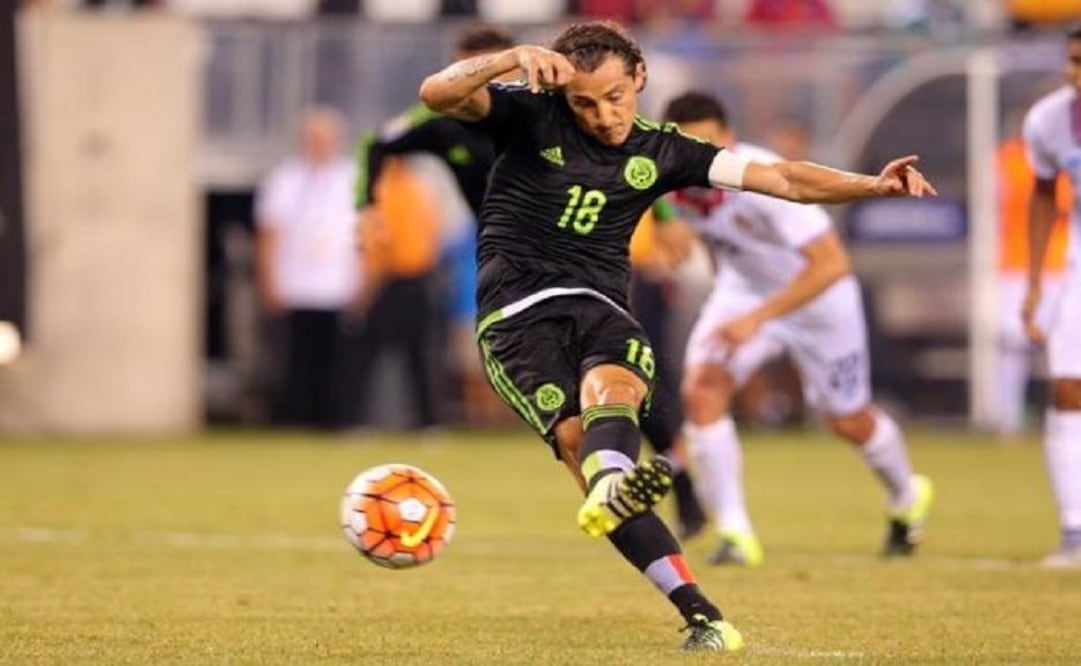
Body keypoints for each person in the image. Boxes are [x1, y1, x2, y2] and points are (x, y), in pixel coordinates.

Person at [418, 20, 935, 651]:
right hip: (516, 311)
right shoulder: (529, 114)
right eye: (584, 102)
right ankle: (696, 603)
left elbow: (788, 181)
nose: (603, 115)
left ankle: (637, 516)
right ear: (562, 96)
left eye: (615, 97)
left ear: (639, 78)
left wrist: (872, 185)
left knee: (617, 386)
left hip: (600, 302)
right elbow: (436, 94)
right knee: (584, 448)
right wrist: (507, 59)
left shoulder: (664, 150)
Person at [656, 91, 933, 567]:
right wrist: (663, 220)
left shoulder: (757, 180)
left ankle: (907, 493)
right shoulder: (669, 173)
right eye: (687, 147)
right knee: (703, 390)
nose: (697, 157)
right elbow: (636, 181)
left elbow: (832, 265)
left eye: (707, 146)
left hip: (817, 301)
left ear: (728, 140)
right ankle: (735, 533)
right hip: (741, 292)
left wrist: (759, 318)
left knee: (847, 420)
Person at [254, 107, 363, 429]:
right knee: (295, 360)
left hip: (338, 285)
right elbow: (269, 234)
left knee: (337, 361)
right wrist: (269, 282)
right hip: (296, 286)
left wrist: (364, 283)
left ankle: (335, 421)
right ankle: (295, 419)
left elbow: (368, 234)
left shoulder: (353, 178)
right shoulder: (284, 179)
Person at [1021, 24, 1081, 569]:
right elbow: (1043, 195)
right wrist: (1037, 283)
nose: (1074, 73)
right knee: (1067, 389)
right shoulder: (1048, 119)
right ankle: (1074, 532)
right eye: (1072, 61)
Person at [993, 126, 1071, 436]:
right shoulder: (1008, 158)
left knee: (1062, 346)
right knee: (1013, 344)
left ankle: (1062, 420)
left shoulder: (1064, 157)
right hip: (1018, 265)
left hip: (1061, 265)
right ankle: (1007, 419)